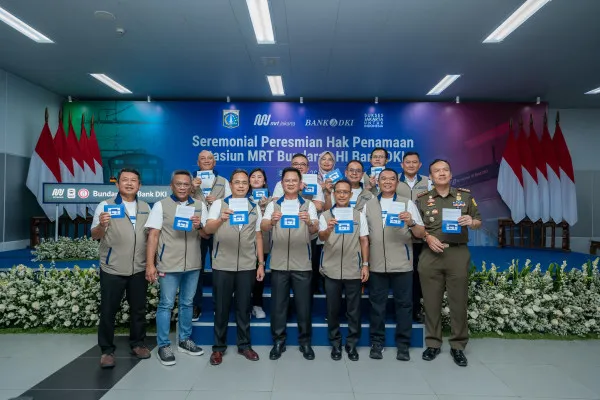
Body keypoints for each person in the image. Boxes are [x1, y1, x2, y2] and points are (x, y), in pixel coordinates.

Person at [416, 159, 481, 367]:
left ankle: (458, 346)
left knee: (458, 302)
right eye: (437, 171)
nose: (441, 173)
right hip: (431, 254)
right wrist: (427, 236)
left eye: (445, 170)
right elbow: (416, 228)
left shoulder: (465, 196)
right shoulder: (422, 199)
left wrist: (472, 222)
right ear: (431, 177)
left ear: (451, 174)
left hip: (457, 254)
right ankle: (433, 343)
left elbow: (478, 221)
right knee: (431, 303)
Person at [145, 170, 208, 366]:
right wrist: (150, 264)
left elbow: (206, 235)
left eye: (186, 184)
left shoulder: (199, 205)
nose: (182, 187)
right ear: (172, 186)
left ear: (191, 186)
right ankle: (163, 345)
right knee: (166, 304)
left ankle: (184, 340)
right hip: (168, 264)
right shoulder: (161, 205)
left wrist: (199, 226)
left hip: (193, 264)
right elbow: (153, 235)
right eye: (178, 184)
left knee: (187, 303)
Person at [204, 169, 265, 365]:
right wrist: (221, 218)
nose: (240, 185)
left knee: (243, 307)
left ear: (249, 186)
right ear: (230, 185)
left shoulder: (254, 206)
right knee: (221, 307)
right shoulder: (219, 205)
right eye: (237, 182)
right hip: (222, 263)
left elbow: (258, 236)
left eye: (244, 183)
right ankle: (218, 348)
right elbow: (207, 229)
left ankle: (244, 345)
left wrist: (261, 263)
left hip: (247, 264)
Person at [92, 168, 151, 369]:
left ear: (139, 185)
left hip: (139, 269)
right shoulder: (105, 205)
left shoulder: (145, 207)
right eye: (124, 180)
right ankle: (107, 350)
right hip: (112, 268)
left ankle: (138, 343)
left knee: (138, 310)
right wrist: (101, 225)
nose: (129, 183)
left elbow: (151, 236)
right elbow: (95, 235)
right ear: (117, 184)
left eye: (133, 180)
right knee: (108, 311)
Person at [364, 168, 425, 361]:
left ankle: (403, 345)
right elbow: (363, 236)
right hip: (376, 264)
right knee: (377, 305)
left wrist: (412, 222)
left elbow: (420, 233)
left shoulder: (407, 204)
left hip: (402, 264)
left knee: (404, 305)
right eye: (384, 179)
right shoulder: (369, 204)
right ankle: (377, 342)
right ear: (378, 182)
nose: (388, 182)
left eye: (392, 179)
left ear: (397, 182)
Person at [261, 167, 319, 361]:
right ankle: (278, 341)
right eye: (287, 180)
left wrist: (310, 221)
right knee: (278, 305)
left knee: (304, 305)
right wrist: (271, 222)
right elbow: (263, 226)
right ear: (282, 183)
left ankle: (305, 342)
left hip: (302, 262)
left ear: (300, 183)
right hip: (278, 262)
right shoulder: (274, 204)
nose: (291, 183)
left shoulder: (308, 205)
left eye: (294, 180)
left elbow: (316, 229)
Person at [318, 179, 370, 361]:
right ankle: (335, 344)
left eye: (345, 192)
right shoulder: (325, 215)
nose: (341, 195)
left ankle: (352, 344)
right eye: (338, 192)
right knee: (332, 310)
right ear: (334, 194)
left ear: (350, 194)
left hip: (353, 269)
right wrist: (329, 229)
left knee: (354, 310)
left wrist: (365, 264)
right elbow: (321, 237)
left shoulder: (358, 215)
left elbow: (364, 240)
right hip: (331, 270)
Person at [273, 153, 326, 295]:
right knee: (284, 276)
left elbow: (320, 206)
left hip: (308, 234)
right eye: (296, 164)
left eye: (303, 164)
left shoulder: (315, 184)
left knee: (309, 270)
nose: (299, 166)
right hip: (285, 233)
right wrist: (296, 190)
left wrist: (298, 194)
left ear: (308, 168)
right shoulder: (281, 183)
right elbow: (277, 204)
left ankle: (307, 299)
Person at [191, 150, 232, 320]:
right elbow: (180, 202)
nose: (206, 161)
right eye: (202, 159)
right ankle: (195, 306)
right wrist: (192, 190)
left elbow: (232, 204)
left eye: (210, 158)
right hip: (196, 230)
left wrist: (217, 202)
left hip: (218, 230)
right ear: (198, 163)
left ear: (214, 163)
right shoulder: (190, 181)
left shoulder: (224, 182)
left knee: (220, 270)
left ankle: (220, 306)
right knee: (195, 270)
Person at [396, 151, 433, 323]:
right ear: (402, 165)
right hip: (398, 236)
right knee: (399, 275)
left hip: (420, 235)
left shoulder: (428, 182)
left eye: (414, 162)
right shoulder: (393, 180)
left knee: (418, 275)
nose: (411, 165)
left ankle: (416, 309)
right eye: (407, 162)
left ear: (419, 165)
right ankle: (399, 310)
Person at [248, 168, 271, 319]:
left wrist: (264, 208)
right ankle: (244, 305)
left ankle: (257, 304)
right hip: (245, 241)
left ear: (264, 181)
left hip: (264, 241)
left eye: (259, 177)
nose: (256, 179)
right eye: (253, 177)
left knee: (259, 273)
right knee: (245, 274)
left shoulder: (272, 200)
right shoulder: (240, 197)